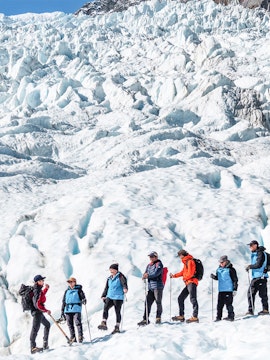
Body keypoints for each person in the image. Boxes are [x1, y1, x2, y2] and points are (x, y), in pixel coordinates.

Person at [170, 249, 199, 323]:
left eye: (180, 256)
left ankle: (195, 317)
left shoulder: (190, 261)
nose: (180, 257)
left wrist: (185, 278)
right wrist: (174, 276)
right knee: (180, 298)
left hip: (192, 282)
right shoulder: (186, 262)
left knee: (193, 299)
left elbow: (190, 273)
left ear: (182, 255)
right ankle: (181, 316)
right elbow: (183, 272)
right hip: (188, 283)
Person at [98, 264, 128, 334]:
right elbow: (106, 287)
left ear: (116, 270)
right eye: (110, 269)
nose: (110, 271)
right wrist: (104, 295)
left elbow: (124, 283)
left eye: (112, 269)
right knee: (105, 308)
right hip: (110, 296)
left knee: (117, 311)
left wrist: (125, 288)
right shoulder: (109, 278)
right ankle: (104, 322)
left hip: (118, 297)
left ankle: (117, 326)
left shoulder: (120, 276)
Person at [138, 251, 164, 326]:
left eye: (152, 256)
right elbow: (146, 273)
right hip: (150, 287)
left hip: (157, 286)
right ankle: (145, 319)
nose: (151, 258)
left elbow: (156, 273)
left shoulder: (159, 264)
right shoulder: (149, 265)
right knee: (147, 302)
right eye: (150, 257)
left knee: (158, 301)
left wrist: (147, 276)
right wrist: (144, 275)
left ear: (156, 257)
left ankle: (158, 317)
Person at [211, 255, 238, 321]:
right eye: (220, 262)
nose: (221, 263)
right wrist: (214, 277)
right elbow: (218, 278)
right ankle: (218, 317)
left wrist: (235, 289)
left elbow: (235, 279)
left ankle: (231, 317)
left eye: (222, 262)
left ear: (226, 261)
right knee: (219, 305)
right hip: (221, 290)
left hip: (228, 289)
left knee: (228, 304)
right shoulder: (218, 270)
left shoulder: (231, 269)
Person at [245, 240, 269, 315]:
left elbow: (258, 264)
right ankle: (253, 310)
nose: (250, 247)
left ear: (256, 245)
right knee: (252, 293)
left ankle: (263, 310)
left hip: (261, 276)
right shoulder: (256, 253)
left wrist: (249, 266)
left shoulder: (260, 253)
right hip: (257, 276)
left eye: (251, 245)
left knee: (260, 294)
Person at [60, 277, 86, 343]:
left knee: (77, 322)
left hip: (76, 308)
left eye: (71, 282)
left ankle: (80, 336)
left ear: (75, 282)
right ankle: (73, 337)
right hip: (68, 309)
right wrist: (62, 311)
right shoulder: (67, 291)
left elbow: (82, 296)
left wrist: (83, 299)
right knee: (70, 324)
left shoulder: (79, 290)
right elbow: (64, 301)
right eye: (69, 282)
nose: (70, 283)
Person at [30, 275, 51, 354]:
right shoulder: (36, 290)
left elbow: (41, 296)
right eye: (41, 280)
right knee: (35, 329)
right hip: (37, 313)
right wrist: (46, 310)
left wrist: (46, 289)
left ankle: (45, 344)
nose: (43, 281)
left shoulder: (38, 289)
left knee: (47, 325)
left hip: (39, 313)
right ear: (37, 282)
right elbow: (37, 304)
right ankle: (33, 347)